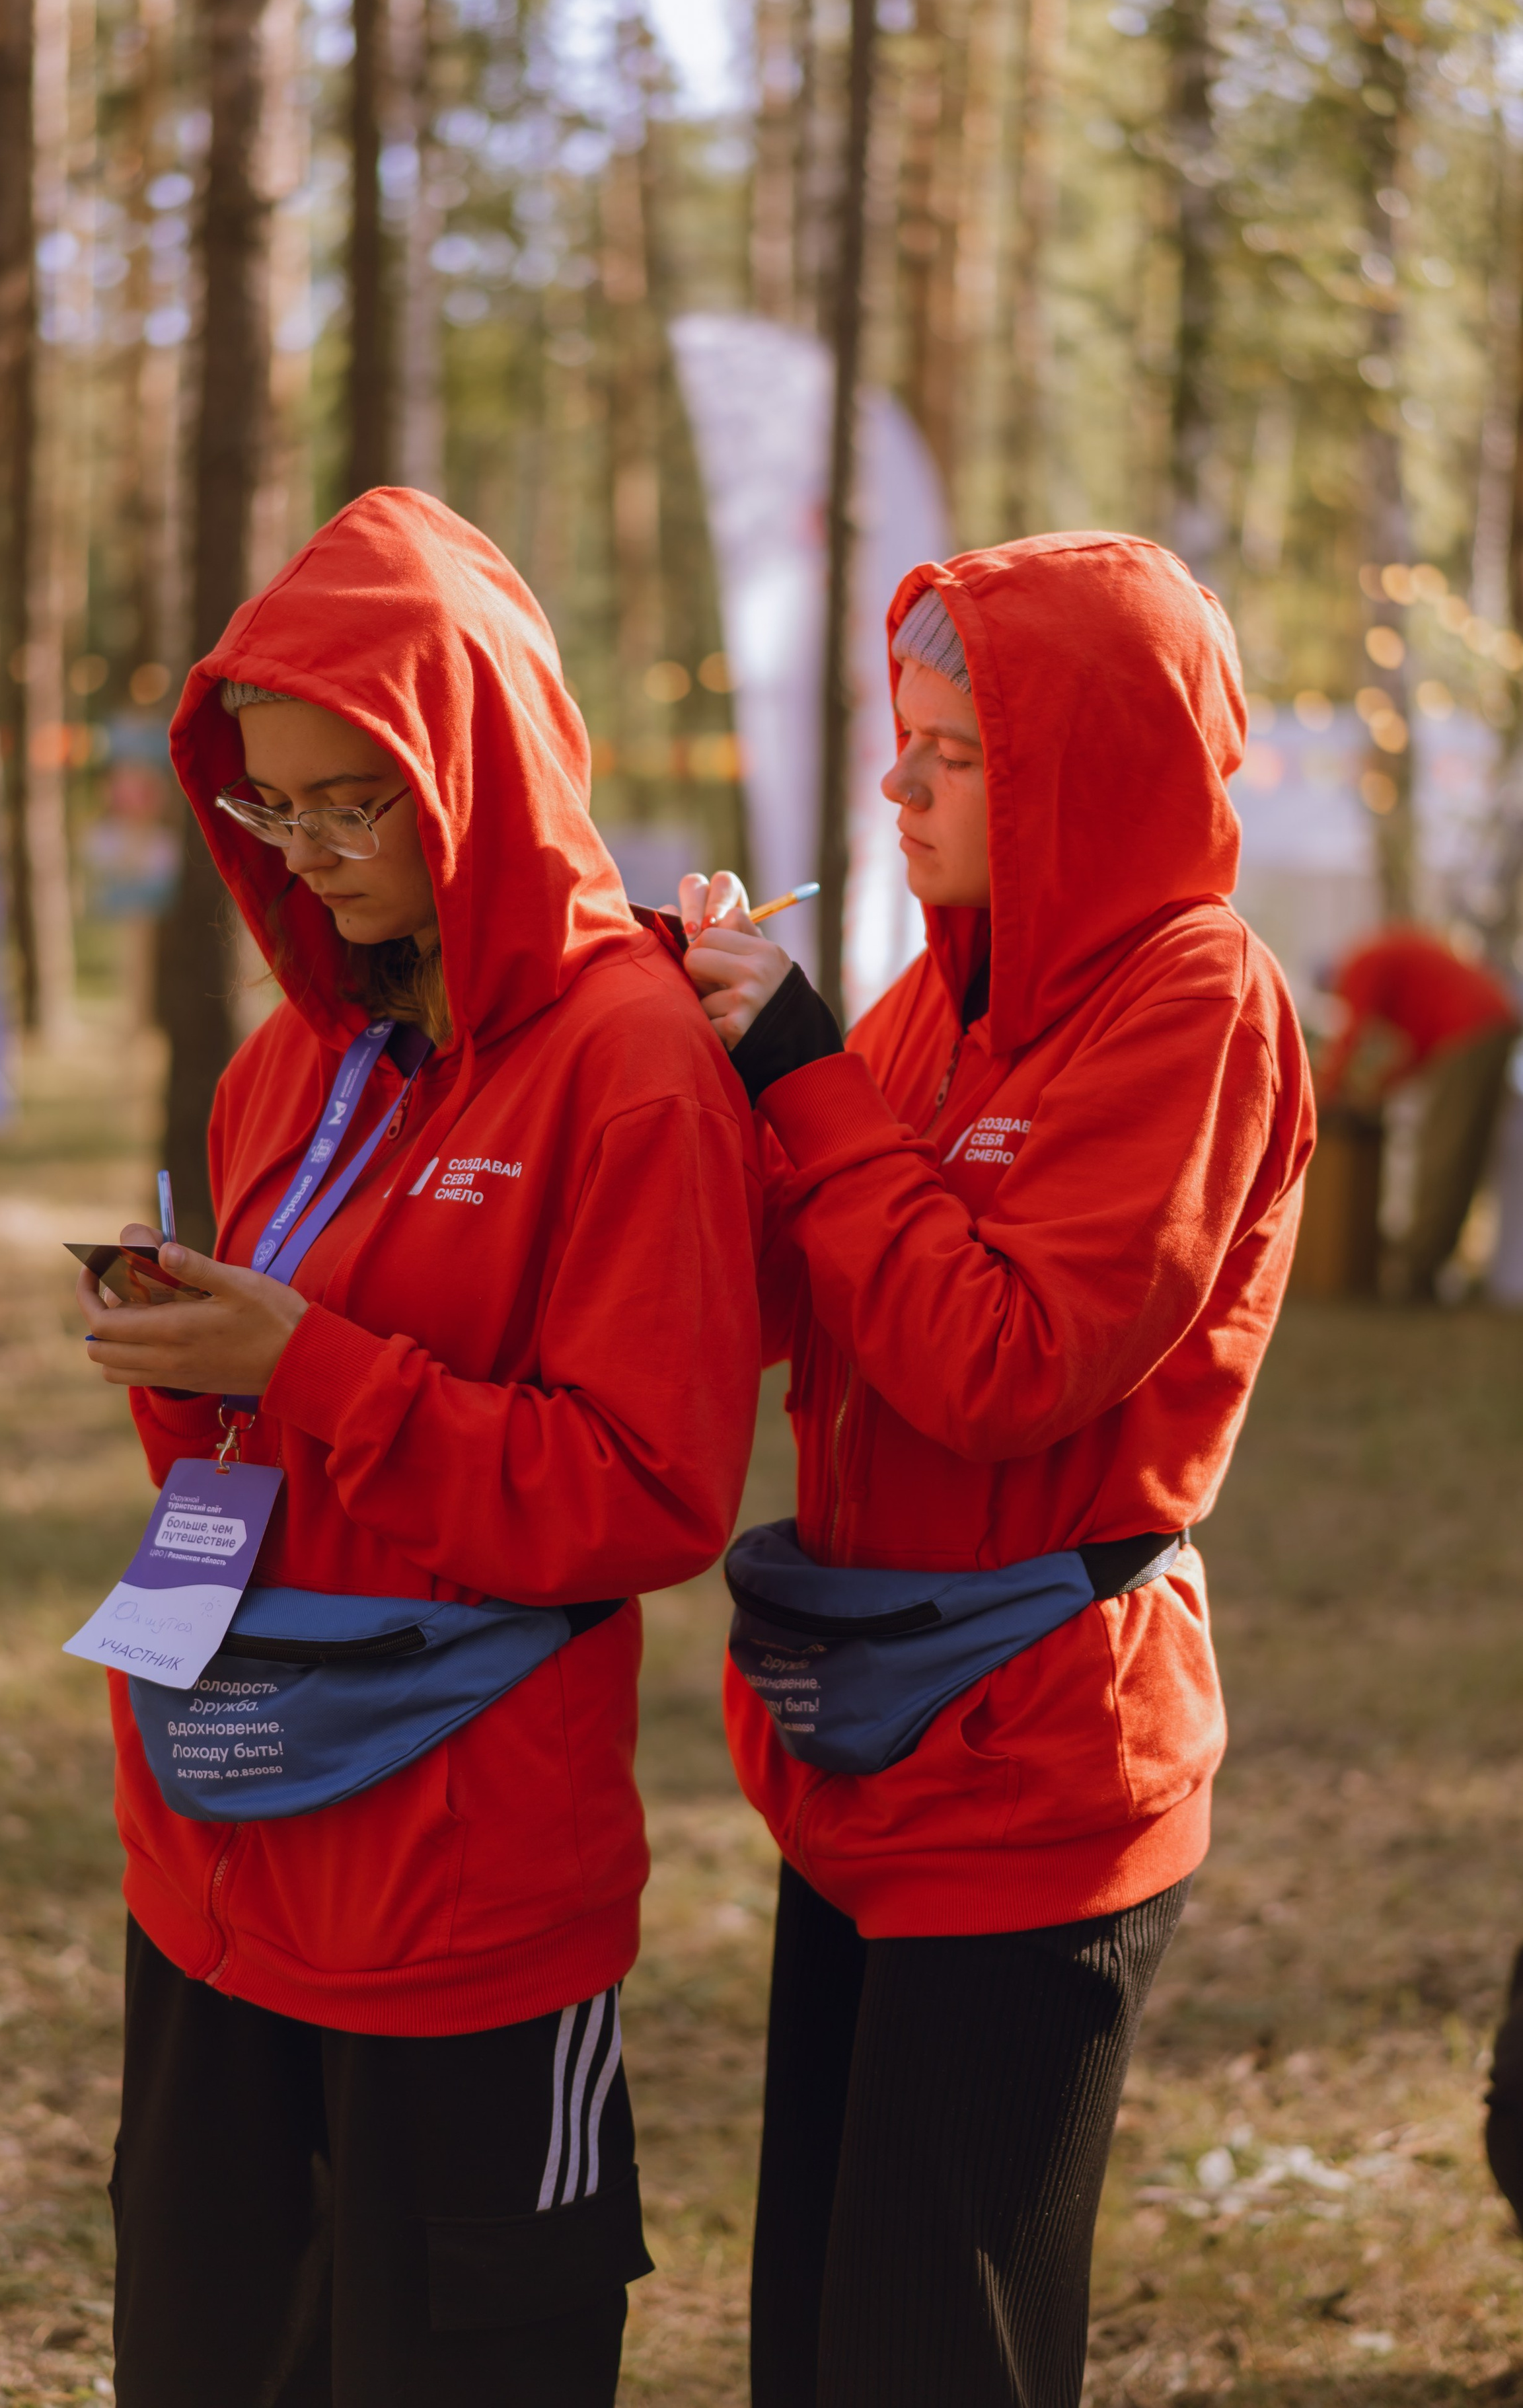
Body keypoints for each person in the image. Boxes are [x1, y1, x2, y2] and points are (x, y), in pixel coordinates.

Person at [73, 488, 761, 2407]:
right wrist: (181, 1358)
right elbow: (235, 1472)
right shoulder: (289, 1050)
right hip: (216, 1851)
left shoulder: (629, 1065)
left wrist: (312, 1369)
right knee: (209, 2357)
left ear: (472, 768)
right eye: (269, 806)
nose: (309, 854)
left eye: (352, 803)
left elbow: (650, 1494)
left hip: (464, 1897)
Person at [678, 533, 1315, 2408]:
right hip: (872, 1744)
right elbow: (800, 1305)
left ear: (1082, 773)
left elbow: (998, 1367)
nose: (900, 786)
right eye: (903, 740)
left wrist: (802, 1077)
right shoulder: (929, 1005)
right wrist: (697, 1073)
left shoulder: (1200, 1003)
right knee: (818, 2327)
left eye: (952, 753)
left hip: (1042, 1766)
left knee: (933, 2348)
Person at [1314, 924, 1519, 1300]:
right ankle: (1426, 1267)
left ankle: (1417, 1274)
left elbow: (1353, 1035)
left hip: (1473, 1030)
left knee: (1446, 1156)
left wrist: (1323, 1097)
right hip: (1491, 1023)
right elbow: (1414, 1051)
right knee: (1458, 1155)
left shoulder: (1360, 965)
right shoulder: (1388, 958)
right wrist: (1378, 1092)